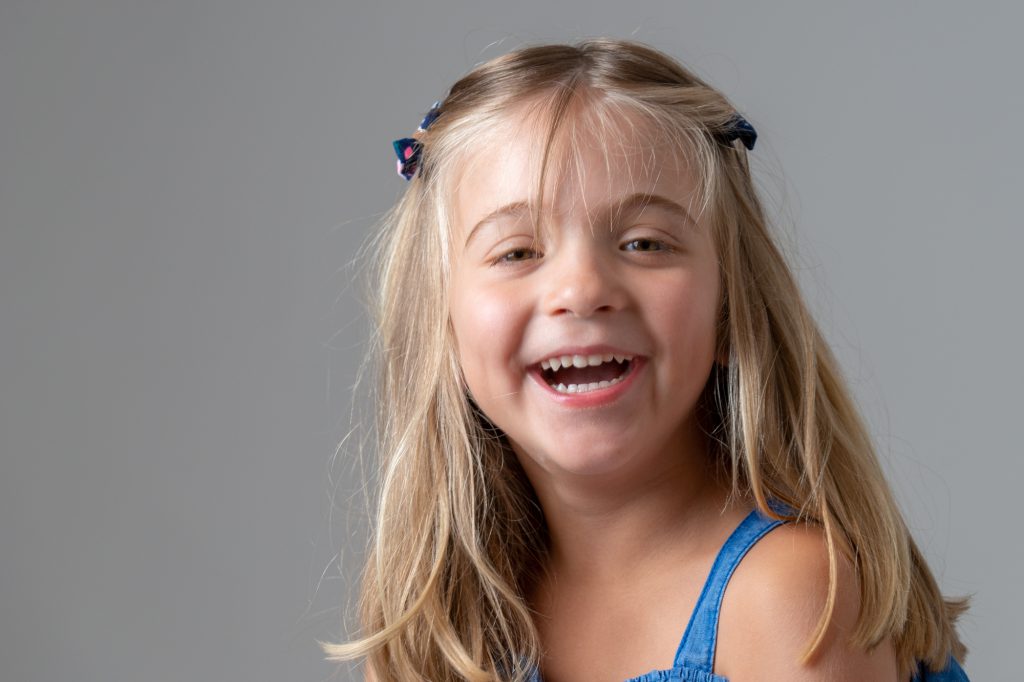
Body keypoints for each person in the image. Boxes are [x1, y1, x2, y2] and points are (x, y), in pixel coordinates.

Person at [321, 38, 971, 681]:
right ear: (442, 326)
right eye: (516, 252)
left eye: (644, 243)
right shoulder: (460, 624)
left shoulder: (790, 598)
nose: (580, 290)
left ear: (729, 309)